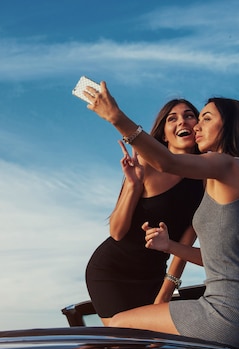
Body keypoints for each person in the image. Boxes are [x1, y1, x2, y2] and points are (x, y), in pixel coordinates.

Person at [83, 82, 239, 349]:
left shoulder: (227, 165)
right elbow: (218, 259)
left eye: (205, 118)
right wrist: (170, 246)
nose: (196, 125)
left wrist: (115, 117)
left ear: (231, 126)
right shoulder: (237, 180)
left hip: (226, 313)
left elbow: (168, 162)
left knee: (120, 327)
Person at [85, 99, 204, 326]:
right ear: (165, 135)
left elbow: (185, 247)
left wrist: (165, 293)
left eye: (189, 115)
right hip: (111, 271)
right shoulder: (145, 164)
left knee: (149, 343)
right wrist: (133, 185)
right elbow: (117, 232)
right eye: (172, 118)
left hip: (153, 276)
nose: (182, 121)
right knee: (126, 342)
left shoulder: (205, 181)